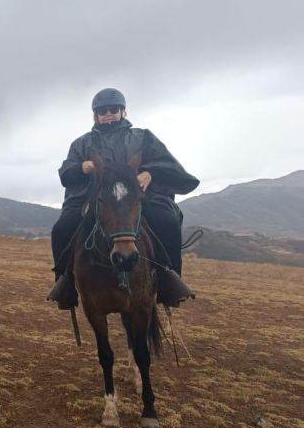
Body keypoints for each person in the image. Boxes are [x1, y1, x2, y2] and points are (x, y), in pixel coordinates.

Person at [47, 88, 200, 308]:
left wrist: (150, 173)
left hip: (135, 198)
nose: (107, 114)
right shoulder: (82, 143)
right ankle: (66, 282)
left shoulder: (143, 137)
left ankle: (169, 278)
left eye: (113, 109)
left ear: (122, 111)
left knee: (167, 222)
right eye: (102, 111)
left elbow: (167, 164)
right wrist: (81, 167)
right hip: (97, 199)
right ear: (95, 114)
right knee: (62, 229)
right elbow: (66, 173)